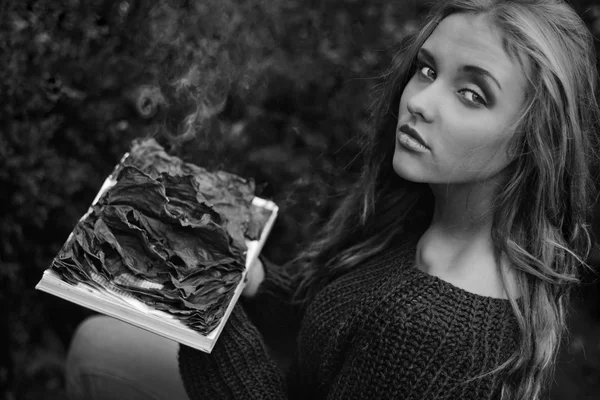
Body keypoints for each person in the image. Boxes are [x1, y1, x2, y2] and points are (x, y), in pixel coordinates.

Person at [65, 0, 600, 399]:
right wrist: (251, 280)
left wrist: (201, 301)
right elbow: (338, 324)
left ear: (535, 143)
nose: (419, 102)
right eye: (429, 69)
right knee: (98, 342)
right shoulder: (427, 215)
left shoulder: (437, 340)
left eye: (471, 94)